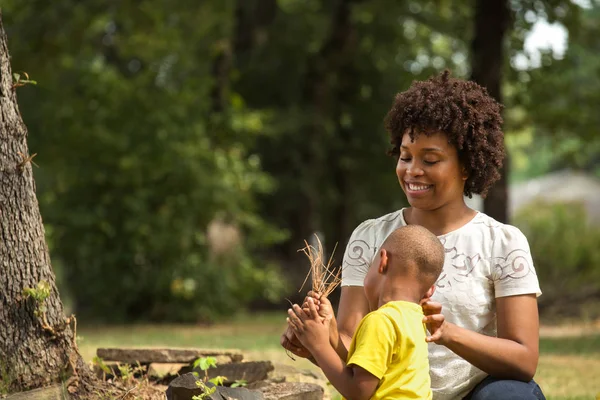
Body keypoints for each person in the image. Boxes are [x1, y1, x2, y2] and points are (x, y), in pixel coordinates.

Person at [281, 70, 545, 400]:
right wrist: (322, 340)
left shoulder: (502, 242)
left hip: (479, 394)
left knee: (511, 395)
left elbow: (523, 359)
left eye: (430, 159)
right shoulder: (371, 237)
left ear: (466, 166)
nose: (412, 171)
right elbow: (358, 353)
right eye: (405, 156)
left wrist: (446, 333)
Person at [287, 225, 445, 400]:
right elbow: (370, 367)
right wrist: (331, 333)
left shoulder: (380, 320)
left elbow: (358, 392)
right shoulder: (416, 317)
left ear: (383, 261)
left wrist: (319, 346)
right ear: (430, 290)